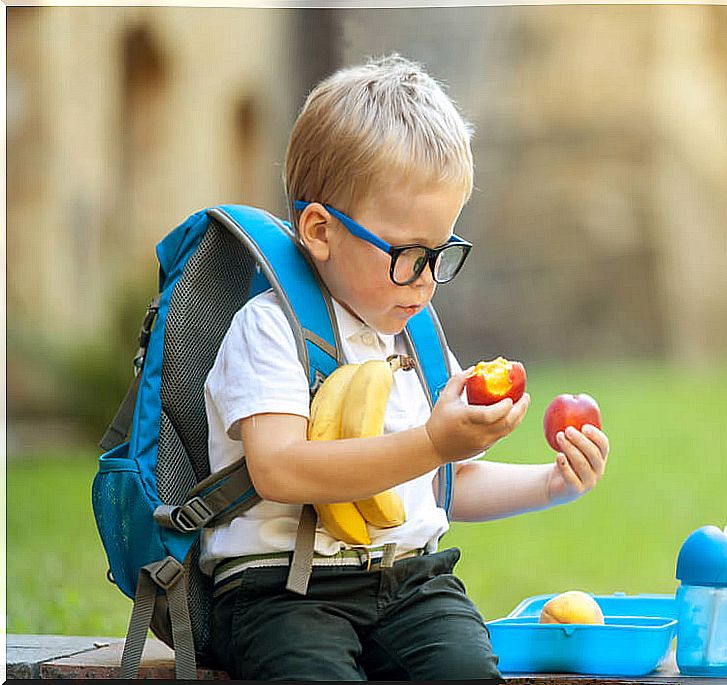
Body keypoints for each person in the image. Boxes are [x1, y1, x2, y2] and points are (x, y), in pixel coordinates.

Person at [201, 53, 610, 681]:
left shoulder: (415, 336)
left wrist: (552, 484)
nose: (424, 281)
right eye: (407, 254)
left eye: (440, 253)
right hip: (282, 592)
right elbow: (278, 467)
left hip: (411, 582)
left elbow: (446, 482)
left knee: (468, 672)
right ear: (319, 230)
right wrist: (429, 443)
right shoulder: (270, 327)